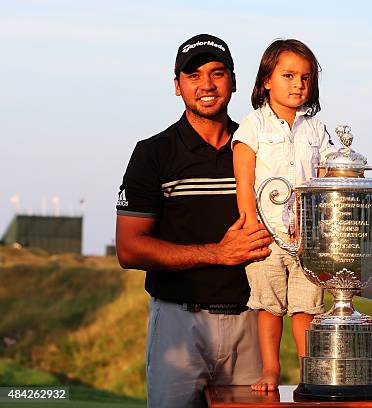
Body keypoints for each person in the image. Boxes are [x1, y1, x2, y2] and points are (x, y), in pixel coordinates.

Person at [115, 34, 273, 408]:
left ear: (233, 81)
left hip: (249, 322)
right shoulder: (153, 153)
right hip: (178, 324)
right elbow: (129, 248)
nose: (206, 85)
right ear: (177, 86)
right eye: (193, 75)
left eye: (217, 73)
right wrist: (219, 253)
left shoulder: (260, 148)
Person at [232, 39, 335, 391]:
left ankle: (310, 371)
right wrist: (250, 223)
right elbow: (244, 181)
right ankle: (271, 370)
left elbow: (326, 183)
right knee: (270, 307)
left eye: (305, 78)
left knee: (306, 308)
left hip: (307, 238)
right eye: (288, 75)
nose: (298, 84)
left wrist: (323, 232)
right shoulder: (253, 126)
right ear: (266, 80)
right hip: (267, 236)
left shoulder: (317, 129)